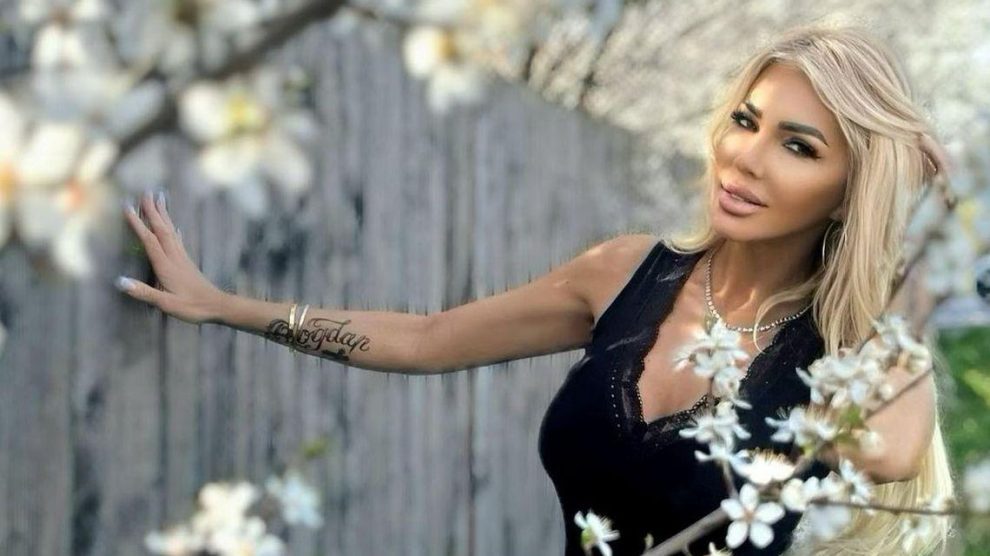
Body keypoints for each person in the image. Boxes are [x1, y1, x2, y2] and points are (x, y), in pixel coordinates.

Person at [115, 23, 955, 555]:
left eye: (799, 147)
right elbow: (426, 340)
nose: (747, 158)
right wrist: (223, 305)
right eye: (747, 120)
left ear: (851, 191)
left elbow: (891, 452)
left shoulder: (850, 357)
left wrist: (914, 238)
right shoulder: (625, 272)